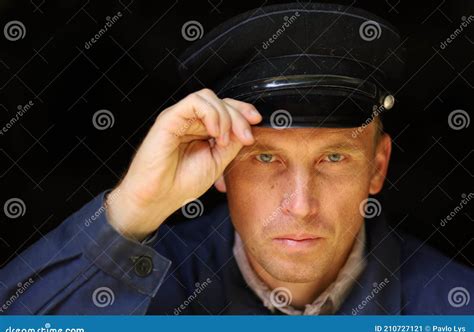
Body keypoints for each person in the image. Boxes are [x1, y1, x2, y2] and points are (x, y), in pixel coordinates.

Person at [0, 2, 472, 315]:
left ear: (377, 167)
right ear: (220, 166)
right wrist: (129, 214)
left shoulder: (455, 307)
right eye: (265, 158)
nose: (301, 205)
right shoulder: (151, 286)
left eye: (334, 157)